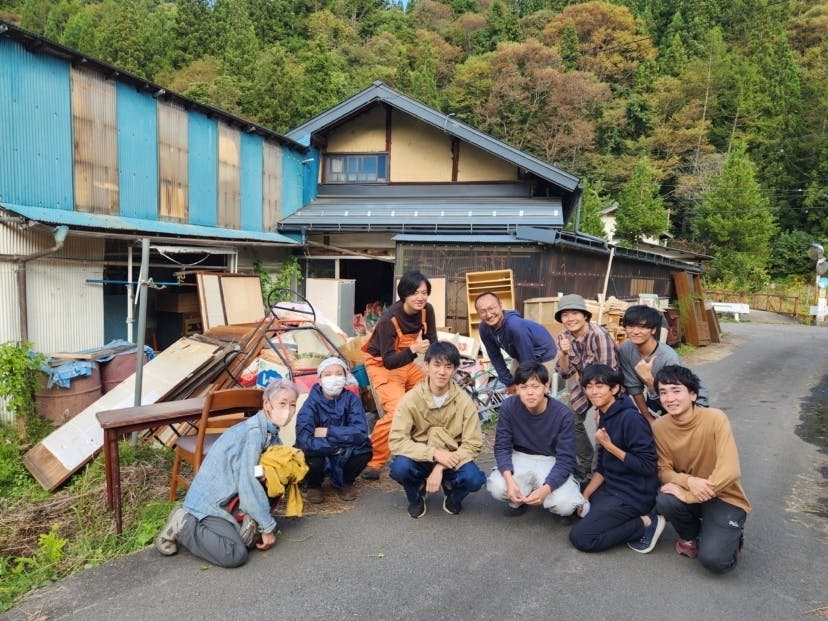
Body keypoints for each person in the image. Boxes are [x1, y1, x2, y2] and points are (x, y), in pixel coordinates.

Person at [155, 379, 300, 568]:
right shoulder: (255, 434)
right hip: (210, 504)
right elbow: (248, 483)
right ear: (267, 404)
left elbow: (261, 473)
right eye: (282, 403)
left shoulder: (270, 434)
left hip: (228, 497)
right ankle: (183, 523)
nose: (287, 410)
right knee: (235, 554)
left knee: (248, 538)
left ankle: (243, 519)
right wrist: (267, 527)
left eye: (292, 405)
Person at [653, 365, 750, 573]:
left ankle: (730, 535)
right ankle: (692, 536)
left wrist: (689, 496)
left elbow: (731, 470)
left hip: (724, 496)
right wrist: (689, 482)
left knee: (715, 561)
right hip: (691, 490)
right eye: (663, 392)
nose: (669, 398)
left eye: (676, 390)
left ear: (693, 394)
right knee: (665, 498)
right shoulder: (659, 427)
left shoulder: (715, 418)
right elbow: (663, 470)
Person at [568, 364, 663, 553]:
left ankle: (644, 523)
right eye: (588, 386)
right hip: (612, 486)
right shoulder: (605, 414)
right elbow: (603, 467)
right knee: (573, 505)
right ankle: (606, 510)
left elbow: (647, 466)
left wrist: (610, 446)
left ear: (615, 389)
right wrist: (585, 495)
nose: (593, 392)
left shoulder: (631, 419)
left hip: (634, 493)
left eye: (600, 386)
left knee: (581, 538)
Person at [388, 341, 487, 518]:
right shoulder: (410, 399)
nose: (442, 372)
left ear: (455, 370)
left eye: (448, 366)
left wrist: (440, 466)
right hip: (420, 457)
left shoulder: (464, 402)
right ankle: (416, 496)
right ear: (426, 365)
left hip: (451, 459)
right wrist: (433, 453)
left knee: (474, 478)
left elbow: (472, 444)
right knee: (400, 467)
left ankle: (452, 496)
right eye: (437, 364)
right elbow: (397, 441)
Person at [360, 270, 438, 480]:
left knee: (432, 397)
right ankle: (374, 461)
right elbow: (389, 361)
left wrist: (436, 366)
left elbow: (432, 340)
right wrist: (413, 350)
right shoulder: (389, 320)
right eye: (414, 293)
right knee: (397, 411)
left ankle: (418, 452)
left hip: (406, 362)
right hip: (382, 365)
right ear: (403, 294)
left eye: (424, 293)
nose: (420, 297)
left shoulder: (427, 310)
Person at [486, 361, 585, 518]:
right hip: (520, 455)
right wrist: (509, 482)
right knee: (496, 486)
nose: (529, 392)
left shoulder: (563, 414)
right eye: (524, 387)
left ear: (546, 387)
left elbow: (566, 459)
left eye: (535, 386)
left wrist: (546, 489)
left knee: (565, 506)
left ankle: (559, 496)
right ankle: (520, 498)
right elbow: (502, 447)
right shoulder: (509, 406)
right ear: (517, 389)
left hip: (551, 459)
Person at [554, 293, 620, 481]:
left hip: (609, 385)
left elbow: (609, 374)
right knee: (568, 419)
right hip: (585, 382)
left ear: (585, 315)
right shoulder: (564, 336)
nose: (570, 318)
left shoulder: (598, 335)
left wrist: (601, 407)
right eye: (565, 314)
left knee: (604, 427)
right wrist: (563, 353)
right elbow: (565, 373)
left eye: (575, 313)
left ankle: (601, 469)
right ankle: (586, 463)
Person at [294, 357, 373, 503]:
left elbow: (360, 432)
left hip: (341, 448)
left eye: (338, 373)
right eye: (328, 374)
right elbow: (304, 439)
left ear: (345, 377)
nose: (334, 378)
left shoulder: (352, 400)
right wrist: (335, 447)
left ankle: (345, 482)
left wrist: (328, 432)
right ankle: (314, 485)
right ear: (320, 380)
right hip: (329, 449)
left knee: (364, 450)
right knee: (311, 456)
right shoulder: (311, 404)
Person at [619, 304, 709, 422]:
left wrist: (649, 379)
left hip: (688, 400)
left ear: (653, 330)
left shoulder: (668, 357)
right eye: (631, 326)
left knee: (678, 426)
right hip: (656, 394)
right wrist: (648, 418)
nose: (635, 332)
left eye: (642, 327)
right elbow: (634, 387)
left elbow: (675, 396)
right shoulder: (625, 350)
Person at [474, 291, 557, 395]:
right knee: (513, 391)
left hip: (544, 355)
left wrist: (524, 385)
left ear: (500, 306)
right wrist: (509, 383)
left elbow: (528, 360)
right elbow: (495, 356)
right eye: (483, 311)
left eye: (491, 308)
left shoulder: (514, 325)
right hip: (520, 355)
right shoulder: (484, 328)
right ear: (478, 313)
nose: (489, 314)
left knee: (532, 393)